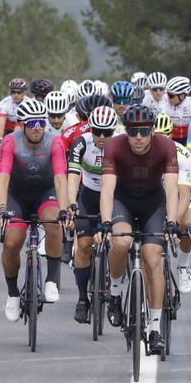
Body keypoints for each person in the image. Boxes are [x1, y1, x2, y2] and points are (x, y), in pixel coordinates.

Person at [96, 105, 180, 355]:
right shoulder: (114, 146)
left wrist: (172, 222)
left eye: (144, 131)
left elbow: (173, 189)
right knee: (121, 243)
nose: (139, 137)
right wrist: (106, 222)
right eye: (133, 132)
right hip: (124, 200)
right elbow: (107, 190)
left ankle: (155, 329)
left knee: (152, 258)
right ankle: (114, 291)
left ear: (152, 131)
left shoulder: (166, 146)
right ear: (126, 132)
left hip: (153, 203)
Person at [0, 100, 72, 321]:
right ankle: (12, 294)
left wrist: (64, 209)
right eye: (32, 123)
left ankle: (50, 279)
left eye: (41, 122)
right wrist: (1, 209)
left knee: (54, 221)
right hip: (17, 196)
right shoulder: (11, 142)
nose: (38, 127)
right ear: (22, 125)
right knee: (11, 242)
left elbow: (59, 178)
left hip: (45, 194)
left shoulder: (54, 142)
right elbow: (2, 178)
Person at [67, 106, 120, 322]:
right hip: (88, 195)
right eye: (97, 131)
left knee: (118, 242)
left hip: (115, 195)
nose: (101, 136)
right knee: (84, 245)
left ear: (113, 131)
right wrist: (71, 204)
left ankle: (115, 284)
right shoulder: (81, 142)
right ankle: (82, 299)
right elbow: (72, 175)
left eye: (107, 132)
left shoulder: (121, 143)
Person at [154, 113, 191, 294]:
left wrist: (175, 223)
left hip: (179, 197)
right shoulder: (143, 151)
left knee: (187, 222)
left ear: (172, 135)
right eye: (158, 135)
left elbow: (184, 194)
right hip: (156, 197)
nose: (162, 140)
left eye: (166, 135)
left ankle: (184, 267)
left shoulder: (182, 154)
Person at [163, 76, 191, 144]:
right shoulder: (164, 105)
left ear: (181, 96)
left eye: (171, 95)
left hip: (190, 138)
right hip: (171, 137)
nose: (168, 98)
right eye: (167, 94)